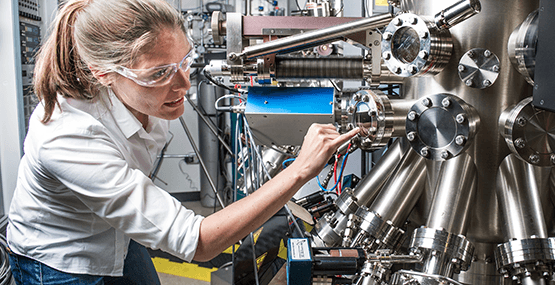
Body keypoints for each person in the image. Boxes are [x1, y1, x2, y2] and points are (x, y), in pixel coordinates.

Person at [6, 0, 359, 284]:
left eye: (184, 61)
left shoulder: (144, 97)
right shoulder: (68, 135)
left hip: (120, 238)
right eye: (158, 73)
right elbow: (199, 242)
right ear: (104, 74)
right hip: (60, 261)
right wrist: (299, 171)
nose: (183, 84)